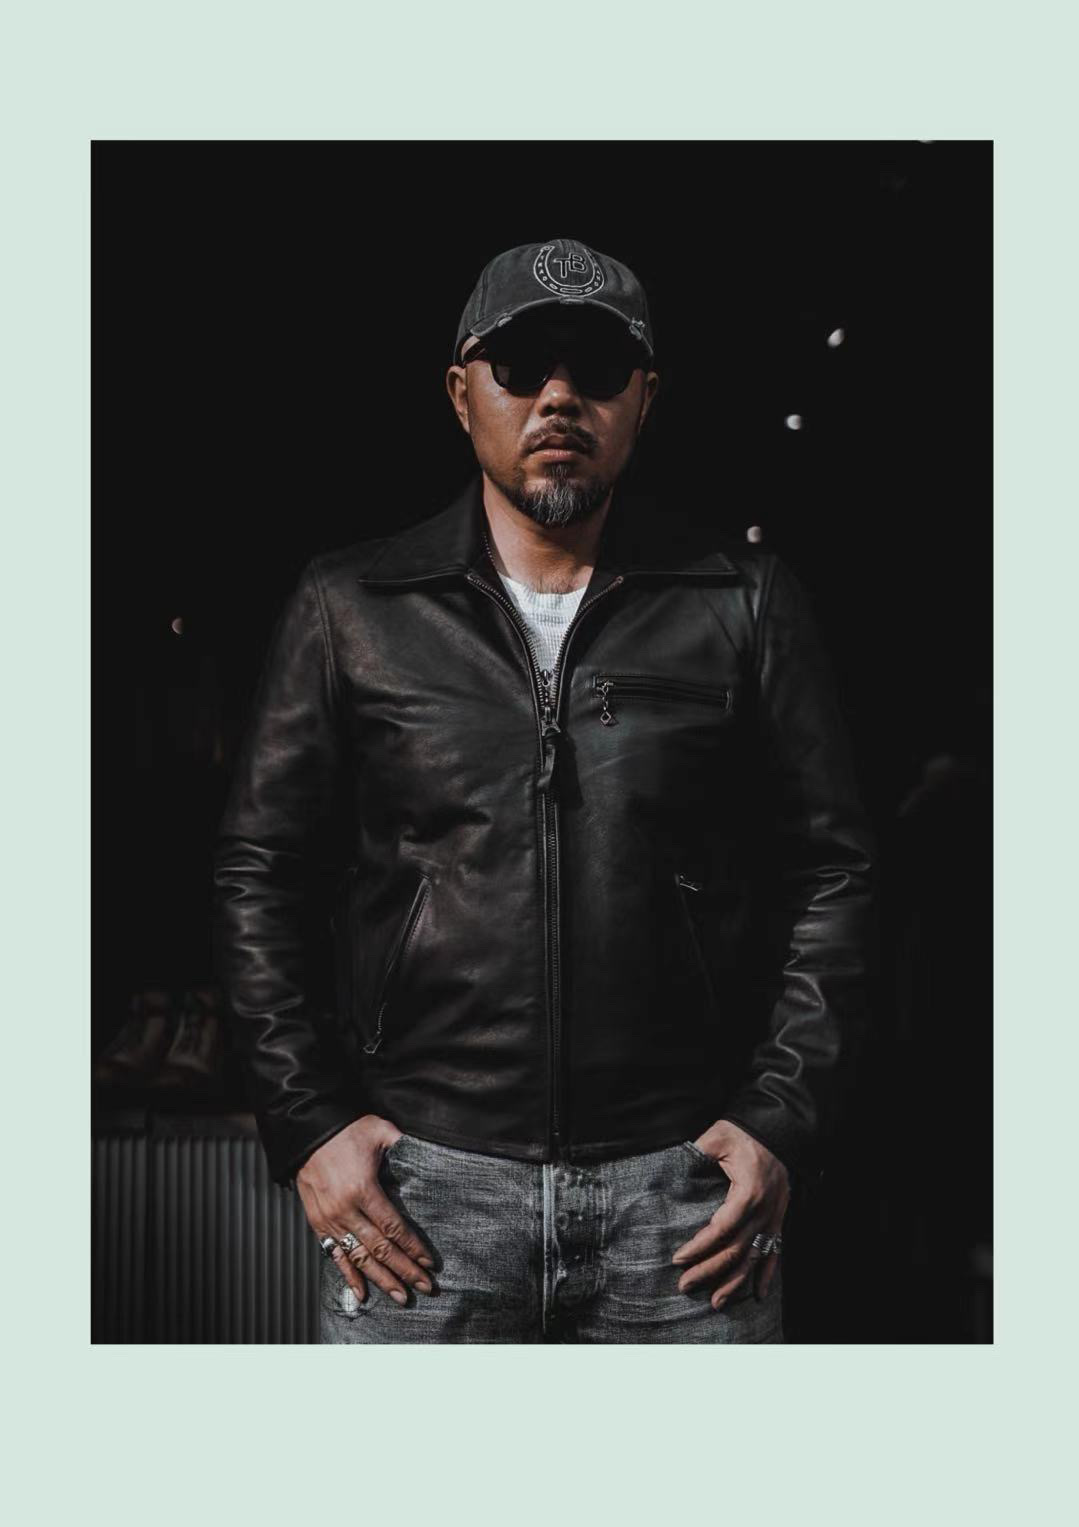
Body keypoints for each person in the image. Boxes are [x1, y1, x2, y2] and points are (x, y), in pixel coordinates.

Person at [211, 237, 876, 1344]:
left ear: (643, 398)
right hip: (423, 1195)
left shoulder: (742, 600)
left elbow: (833, 871)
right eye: (521, 367)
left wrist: (780, 1119)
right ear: (459, 392)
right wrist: (310, 1124)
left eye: (598, 369)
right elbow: (260, 874)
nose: (559, 397)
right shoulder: (351, 606)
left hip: (683, 1203)